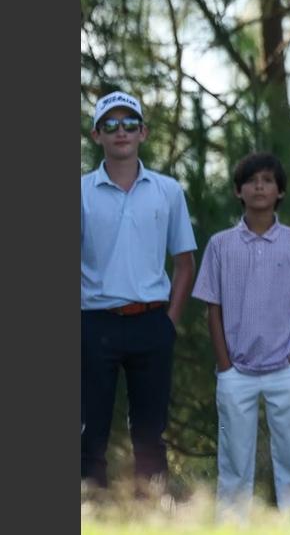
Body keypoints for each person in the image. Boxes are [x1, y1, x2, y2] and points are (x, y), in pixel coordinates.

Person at [191, 152, 290, 518]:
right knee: (234, 459)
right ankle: (232, 523)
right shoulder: (220, 244)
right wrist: (225, 366)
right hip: (237, 371)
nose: (259, 187)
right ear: (238, 191)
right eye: (251, 181)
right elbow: (213, 308)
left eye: (267, 180)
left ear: (280, 191)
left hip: (285, 369)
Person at [81, 90, 197, 490]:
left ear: (143, 132)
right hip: (94, 323)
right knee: (89, 427)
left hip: (152, 322)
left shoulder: (168, 191)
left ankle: (152, 509)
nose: (121, 131)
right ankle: (88, 507)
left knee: (150, 431)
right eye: (110, 124)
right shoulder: (80, 191)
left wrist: (169, 323)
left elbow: (185, 264)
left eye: (130, 123)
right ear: (96, 135)